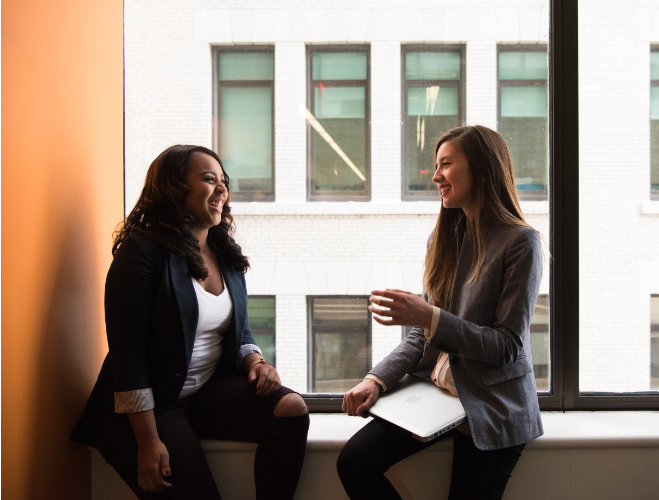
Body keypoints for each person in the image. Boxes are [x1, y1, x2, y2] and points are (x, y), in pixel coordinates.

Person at [71, 145, 309, 499]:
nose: (222, 190)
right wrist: (148, 443)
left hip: (201, 392)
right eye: (209, 179)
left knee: (292, 410)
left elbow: (238, 330)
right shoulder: (142, 252)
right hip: (150, 410)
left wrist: (256, 360)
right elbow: (128, 354)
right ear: (173, 187)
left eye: (224, 182)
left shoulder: (224, 253)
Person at [337, 125, 545, 500]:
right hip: (439, 396)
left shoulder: (521, 242)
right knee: (354, 461)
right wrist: (376, 380)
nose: (435, 176)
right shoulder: (444, 238)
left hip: (492, 406)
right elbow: (422, 335)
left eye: (446, 164)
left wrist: (429, 318)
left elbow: (507, 346)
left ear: (482, 169)